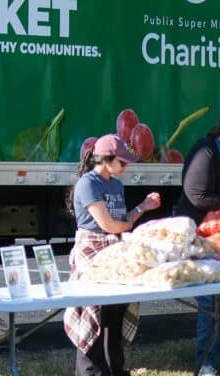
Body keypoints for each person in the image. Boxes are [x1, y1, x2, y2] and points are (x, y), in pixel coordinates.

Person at [64, 134, 160, 376]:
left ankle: (115, 368)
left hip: (115, 250)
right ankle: (92, 371)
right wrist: (128, 226)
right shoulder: (88, 184)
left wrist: (143, 207)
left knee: (116, 312)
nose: (126, 166)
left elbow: (122, 220)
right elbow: (109, 225)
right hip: (92, 252)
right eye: (122, 161)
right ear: (106, 159)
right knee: (93, 313)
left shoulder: (116, 185)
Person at [174, 108, 220, 376]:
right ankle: (207, 362)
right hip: (205, 238)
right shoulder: (207, 151)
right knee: (211, 300)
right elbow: (197, 196)